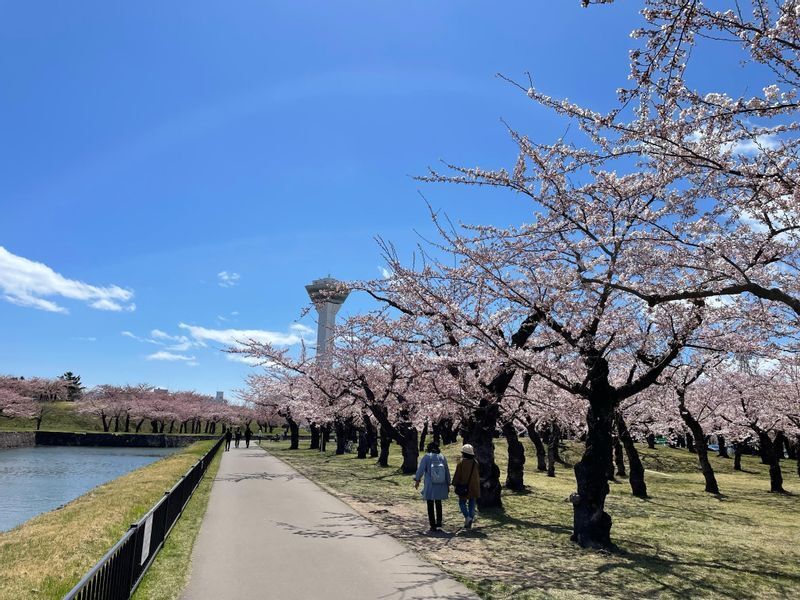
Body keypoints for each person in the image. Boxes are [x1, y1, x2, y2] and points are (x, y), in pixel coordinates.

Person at [413, 442, 450, 532]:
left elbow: (421, 469)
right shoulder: (442, 457)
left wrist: (417, 480)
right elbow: (446, 470)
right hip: (441, 483)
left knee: (430, 503)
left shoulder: (426, 457)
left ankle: (432, 524)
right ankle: (439, 521)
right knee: (438, 502)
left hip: (430, 484)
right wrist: (448, 483)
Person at [452, 444, 480, 529]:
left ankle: (467, 517)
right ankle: (470, 521)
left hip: (463, 486)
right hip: (474, 486)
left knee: (462, 503)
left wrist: (454, 483)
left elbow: (457, 475)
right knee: (472, 504)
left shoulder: (461, 463)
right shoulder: (475, 463)